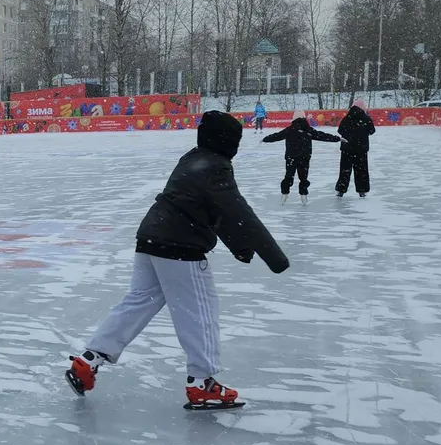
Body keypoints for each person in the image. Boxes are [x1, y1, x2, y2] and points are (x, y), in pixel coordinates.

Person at [65, 110, 290, 409]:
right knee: (201, 314)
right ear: (228, 142)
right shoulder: (216, 167)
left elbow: (212, 208)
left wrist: (240, 248)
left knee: (138, 302)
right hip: (179, 247)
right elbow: (238, 212)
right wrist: (274, 257)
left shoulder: (193, 158)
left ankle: (89, 359)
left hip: (150, 239)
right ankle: (202, 383)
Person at [262, 110, 343, 204]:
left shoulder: (290, 130)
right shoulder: (308, 130)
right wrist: (337, 138)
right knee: (303, 178)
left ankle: (285, 194)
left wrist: (265, 139)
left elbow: (277, 136)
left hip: (291, 158)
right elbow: (322, 136)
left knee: (288, 176)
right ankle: (303, 195)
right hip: (304, 158)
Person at [335, 100, 375, 198]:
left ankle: (341, 190)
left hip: (347, 148)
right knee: (361, 170)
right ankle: (362, 191)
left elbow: (340, 130)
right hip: (361, 149)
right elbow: (372, 130)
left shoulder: (347, 118)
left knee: (345, 170)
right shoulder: (366, 118)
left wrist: (349, 135)